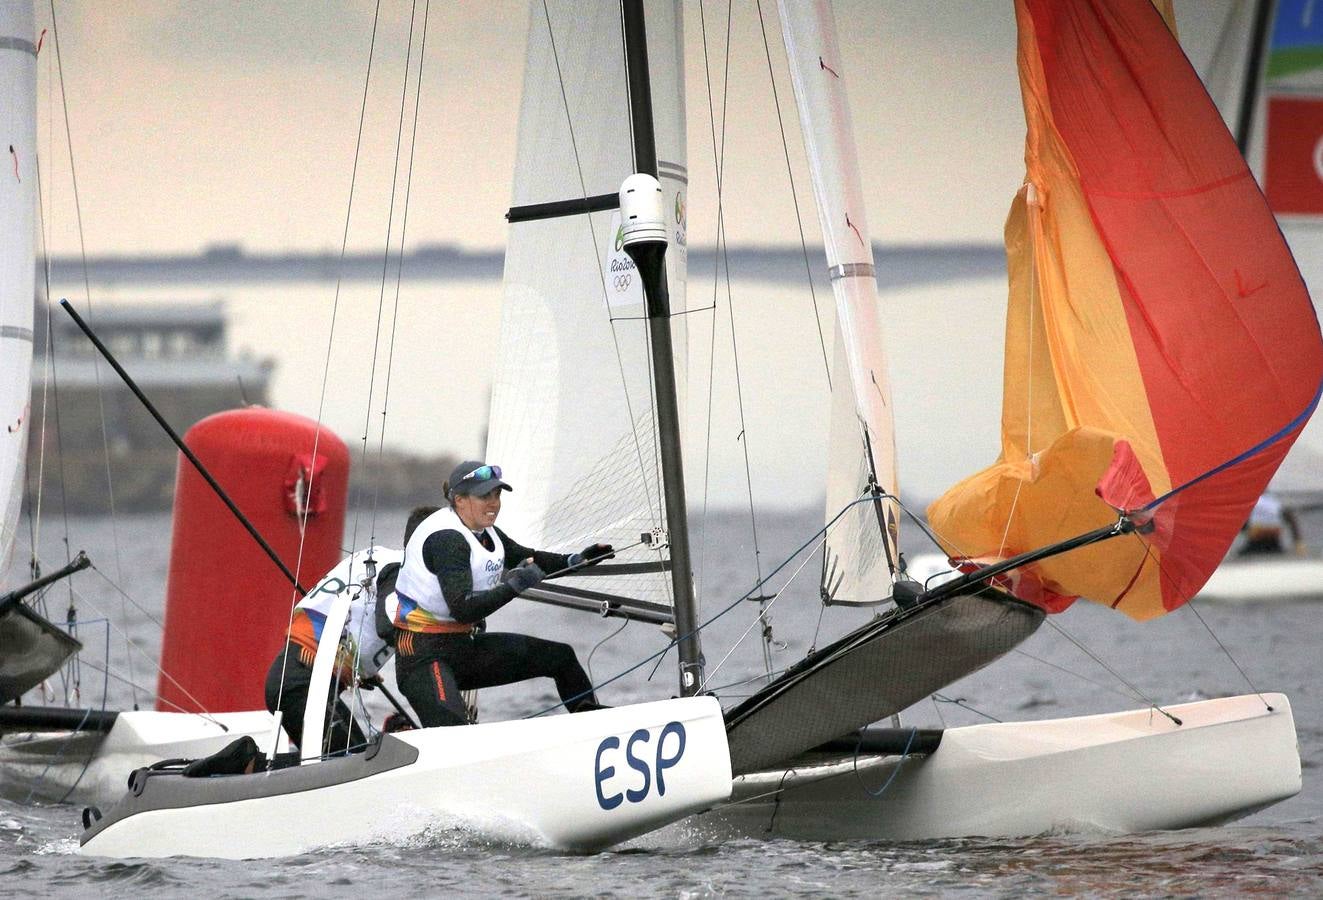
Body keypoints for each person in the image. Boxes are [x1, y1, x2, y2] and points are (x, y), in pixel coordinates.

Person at [387, 460, 614, 727]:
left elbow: (527, 557)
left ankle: (594, 732)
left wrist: (575, 560)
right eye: (485, 496)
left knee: (560, 657)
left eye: (497, 494)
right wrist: (515, 586)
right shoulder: (447, 539)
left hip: (461, 648)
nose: (494, 502)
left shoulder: (484, 531)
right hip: (422, 656)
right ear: (459, 500)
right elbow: (464, 609)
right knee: (454, 737)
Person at [263, 505, 437, 753]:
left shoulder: (382, 557)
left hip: (296, 677)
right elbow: (386, 625)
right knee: (350, 762)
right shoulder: (400, 572)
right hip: (302, 681)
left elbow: (358, 615)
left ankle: (246, 763)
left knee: (341, 758)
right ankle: (241, 764)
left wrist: (360, 665)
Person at [1240, 492, 1304, 557]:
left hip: (1256, 537)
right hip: (1274, 537)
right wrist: (1298, 541)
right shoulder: (1274, 501)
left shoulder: (1251, 501)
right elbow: (1290, 518)